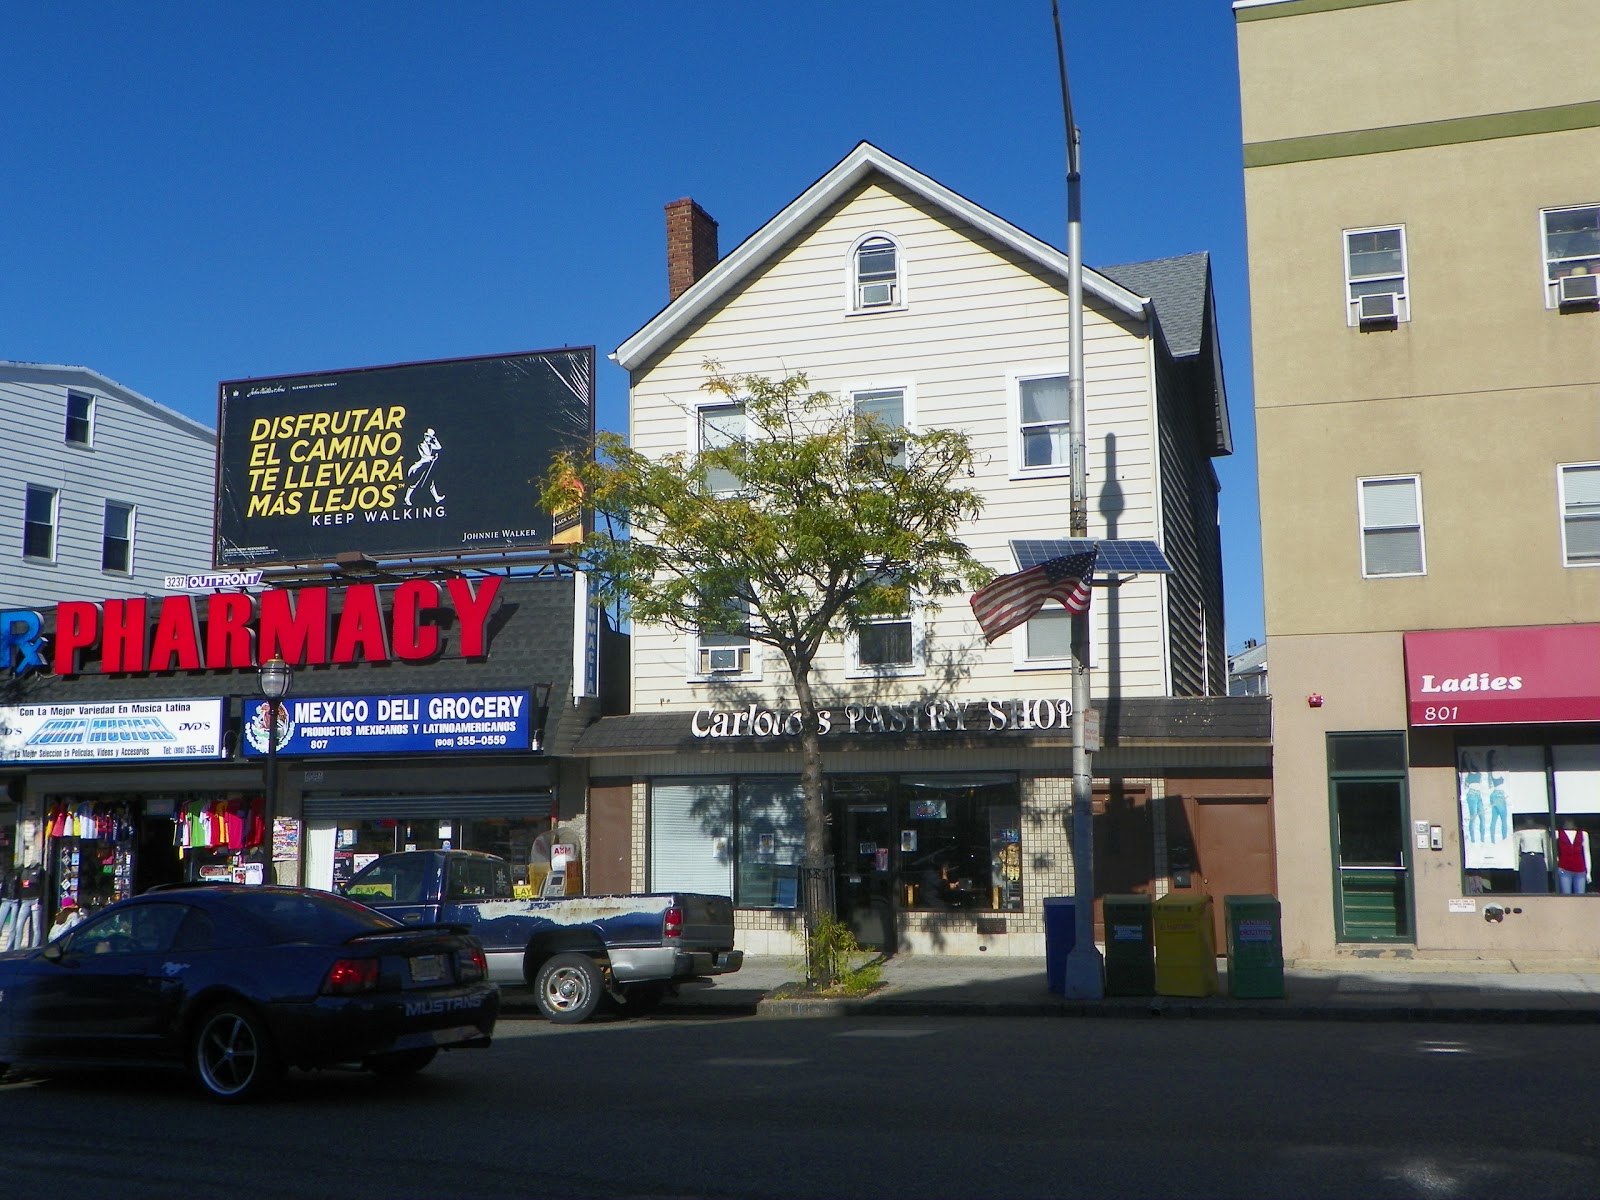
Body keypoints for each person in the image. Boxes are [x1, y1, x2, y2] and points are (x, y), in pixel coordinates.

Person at [404, 428, 445, 506]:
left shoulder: (430, 445)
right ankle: (407, 498)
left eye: (429, 437)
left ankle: (436, 497)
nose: (427, 438)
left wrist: (435, 440)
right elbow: (425, 456)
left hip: (427, 466)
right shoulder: (421, 444)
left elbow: (439, 447)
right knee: (415, 482)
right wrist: (432, 457)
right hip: (421, 465)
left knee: (431, 482)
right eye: (426, 436)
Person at [1513, 817, 1552, 893]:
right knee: (1526, 882)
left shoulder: (1541, 829)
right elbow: (1516, 847)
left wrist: (1548, 863)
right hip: (1526, 856)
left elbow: (1546, 846)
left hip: (1539, 856)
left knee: (1541, 882)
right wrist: (1516, 864)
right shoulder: (1519, 829)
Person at [1555, 818, 1592, 895]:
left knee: (1580, 895)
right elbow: (1553, 850)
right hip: (1564, 868)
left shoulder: (1583, 834)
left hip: (1580, 869)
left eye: (1570, 820)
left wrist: (1588, 872)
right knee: (1566, 894)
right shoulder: (1558, 833)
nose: (1569, 822)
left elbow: (1586, 852)